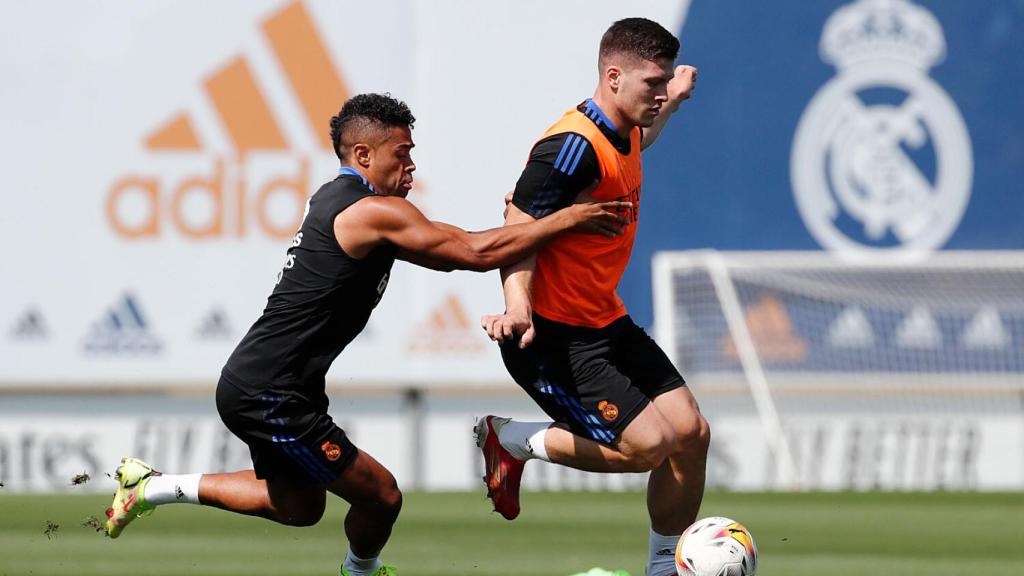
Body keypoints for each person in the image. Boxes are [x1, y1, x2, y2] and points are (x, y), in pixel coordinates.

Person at [102, 93, 628, 576]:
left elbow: (466, 244)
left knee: (299, 507)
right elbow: (474, 253)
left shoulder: (346, 201)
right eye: (402, 154)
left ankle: (152, 487)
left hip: (270, 384)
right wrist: (564, 219)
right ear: (362, 154)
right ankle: (362, 573)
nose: (411, 165)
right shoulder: (370, 212)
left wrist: (525, 224)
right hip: (269, 391)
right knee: (382, 496)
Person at [476, 18, 704, 576]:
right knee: (649, 445)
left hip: (603, 319)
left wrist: (672, 101)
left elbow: (642, 139)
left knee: (691, 434)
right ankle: (511, 439)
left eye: (665, 80)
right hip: (551, 335)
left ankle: (662, 568)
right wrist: (518, 307)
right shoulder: (570, 148)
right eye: (653, 82)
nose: (659, 91)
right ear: (613, 76)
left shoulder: (626, 124)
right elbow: (516, 227)